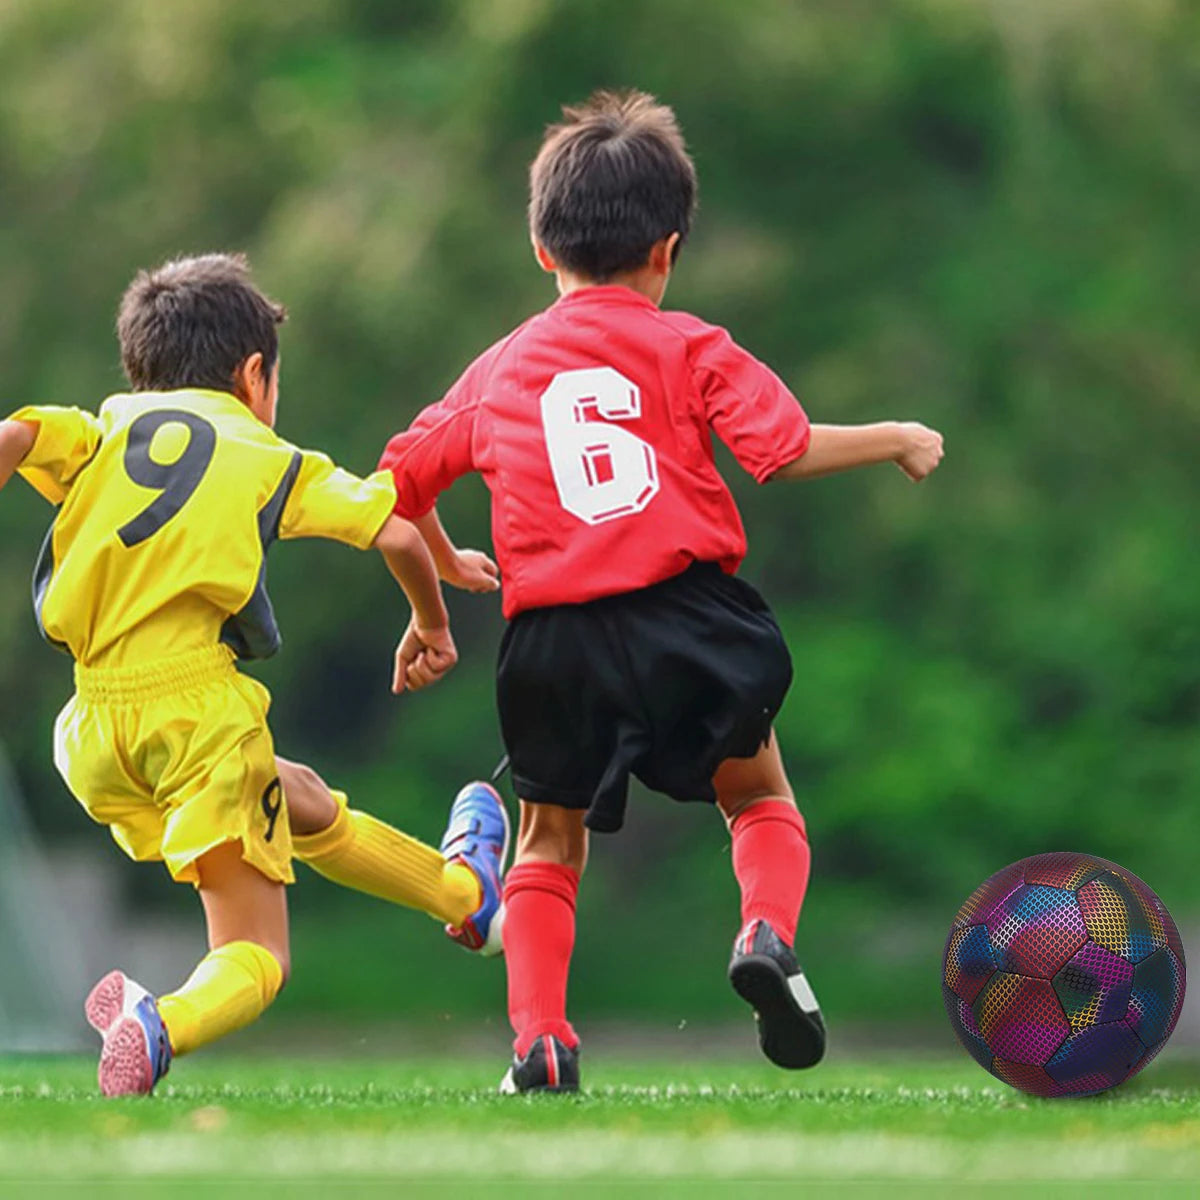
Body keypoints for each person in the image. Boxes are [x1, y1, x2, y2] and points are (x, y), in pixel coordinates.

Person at [378, 91, 945, 1093]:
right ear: (668, 250)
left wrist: (443, 576)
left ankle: (540, 1042)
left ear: (541, 248)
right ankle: (766, 935)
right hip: (683, 617)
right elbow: (785, 450)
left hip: (551, 636)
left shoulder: (499, 369)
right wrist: (896, 438)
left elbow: (394, 486)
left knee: (549, 841)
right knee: (758, 792)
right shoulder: (688, 344)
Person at [0, 253, 507, 1097]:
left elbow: (13, 437)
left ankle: (465, 898)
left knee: (292, 794)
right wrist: (432, 619)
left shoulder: (102, 428)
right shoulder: (266, 453)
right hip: (197, 712)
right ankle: (161, 1022)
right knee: (258, 956)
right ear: (253, 374)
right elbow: (396, 533)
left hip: (92, 727)